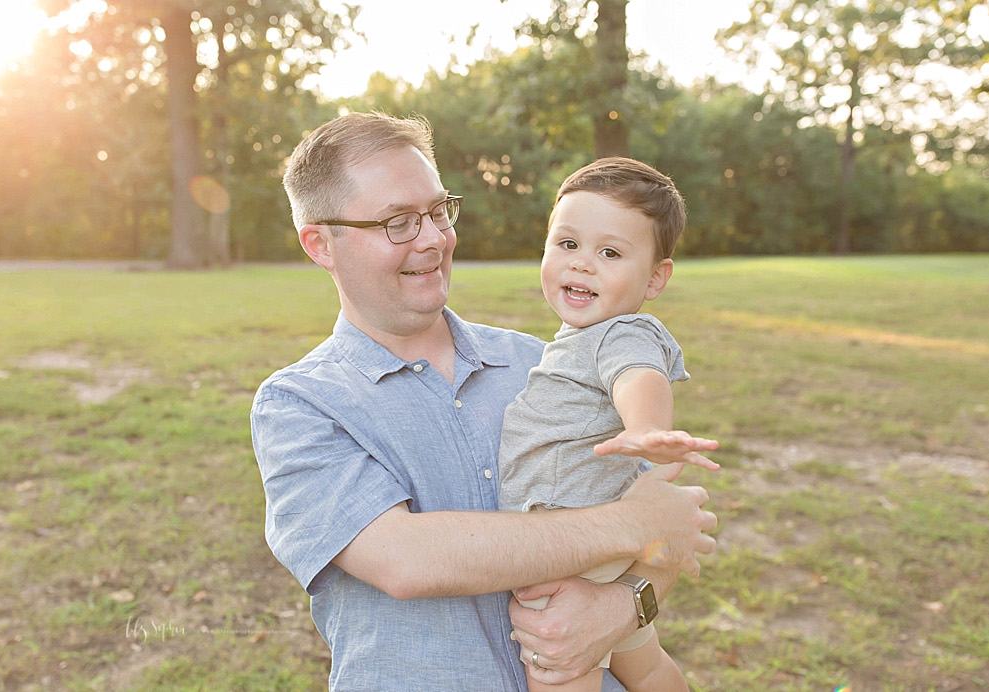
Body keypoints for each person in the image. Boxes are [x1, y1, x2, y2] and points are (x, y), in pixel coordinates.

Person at [249, 112, 717, 691]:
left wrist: (624, 606)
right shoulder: (300, 405)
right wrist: (628, 525)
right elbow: (404, 559)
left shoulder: (543, 365)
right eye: (398, 221)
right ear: (321, 243)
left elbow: (664, 530)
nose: (432, 239)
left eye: (438, 211)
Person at [499, 157, 719, 692]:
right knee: (643, 663)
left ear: (655, 277)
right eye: (567, 244)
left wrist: (645, 429)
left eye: (610, 253)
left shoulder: (620, 334)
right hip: (597, 539)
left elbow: (637, 376)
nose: (581, 265)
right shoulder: (582, 335)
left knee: (561, 667)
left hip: (570, 543)